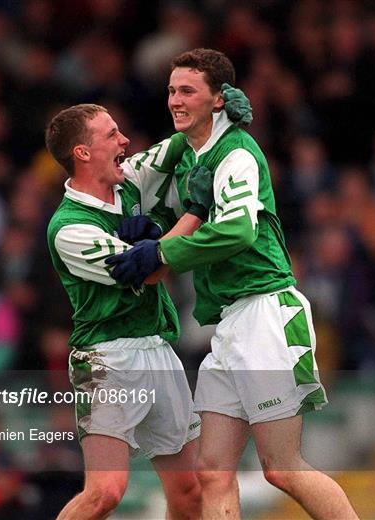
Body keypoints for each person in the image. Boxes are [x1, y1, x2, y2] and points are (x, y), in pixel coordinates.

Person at [107, 49, 358, 519]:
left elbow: (239, 230)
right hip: (229, 324)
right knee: (212, 472)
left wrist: (162, 251)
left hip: (266, 311)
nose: (175, 101)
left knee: (282, 467)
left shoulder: (237, 152)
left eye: (187, 91)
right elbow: (127, 173)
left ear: (218, 99)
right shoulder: (188, 148)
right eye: (170, 91)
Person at [45, 93, 251, 520]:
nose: (125, 140)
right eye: (111, 135)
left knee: (189, 490)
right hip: (107, 357)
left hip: (158, 349)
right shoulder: (69, 228)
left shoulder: (128, 180)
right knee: (105, 492)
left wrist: (217, 112)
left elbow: (175, 144)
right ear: (83, 153)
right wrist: (193, 211)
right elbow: (148, 269)